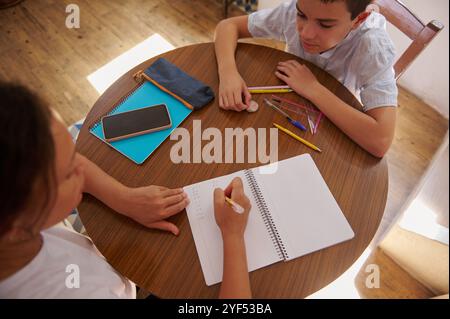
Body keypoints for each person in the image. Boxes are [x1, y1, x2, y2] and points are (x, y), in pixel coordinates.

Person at [0, 82, 252, 298]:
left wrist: (125, 198)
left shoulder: (14, 222)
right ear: (13, 226)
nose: (82, 166)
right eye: (68, 173)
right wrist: (232, 235)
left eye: (73, 153)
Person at [215, 0, 398, 158]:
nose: (306, 33)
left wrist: (312, 88)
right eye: (301, 15)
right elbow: (227, 26)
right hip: (290, 107)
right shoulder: (293, 11)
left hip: (335, 128)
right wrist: (228, 72)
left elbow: (381, 140)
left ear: (359, 20)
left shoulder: (374, 46)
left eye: (325, 25)